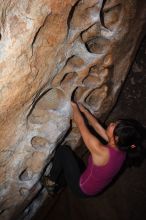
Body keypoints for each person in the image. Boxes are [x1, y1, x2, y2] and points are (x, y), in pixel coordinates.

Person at [41, 102, 145, 197]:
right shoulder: (122, 148)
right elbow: (97, 126)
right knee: (77, 165)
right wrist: (84, 111)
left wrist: (73, 106)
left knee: (64, 151)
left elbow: (81, 124)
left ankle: (51, 180)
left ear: (116, 138)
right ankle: (60, 184)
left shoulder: (102, 152)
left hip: (81, 189)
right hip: (93, 187)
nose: (112, 123)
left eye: (114, 125)